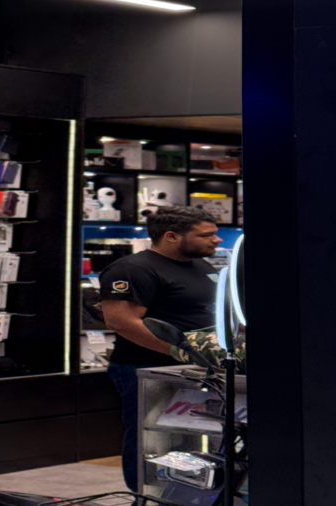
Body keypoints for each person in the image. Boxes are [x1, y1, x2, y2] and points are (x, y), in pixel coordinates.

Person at [99, 206, 221, 492]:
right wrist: (178, 352)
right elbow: (122, 322)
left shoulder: (202, 266)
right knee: (151, 439)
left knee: (191, 436)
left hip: (196, 368)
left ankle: (184, 494)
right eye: (206, 235)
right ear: (171, 236)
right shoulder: (133, 269)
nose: (216, 240)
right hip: (147, 369)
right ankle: (147, 496)